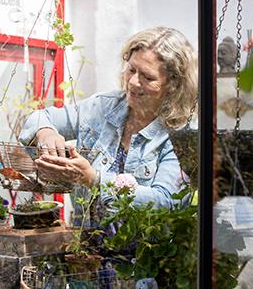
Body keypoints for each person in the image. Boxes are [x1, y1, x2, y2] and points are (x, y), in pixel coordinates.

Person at [19, 26, 197, 210]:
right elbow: (40, 117)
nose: (134, 82)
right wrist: (46, 133)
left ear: (173, 85)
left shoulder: (182, 135)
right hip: (85, 237)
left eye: (147, 77)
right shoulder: (102, 107)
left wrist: (93, 179)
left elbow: (166, 202)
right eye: (132, 69)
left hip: (144, 239)